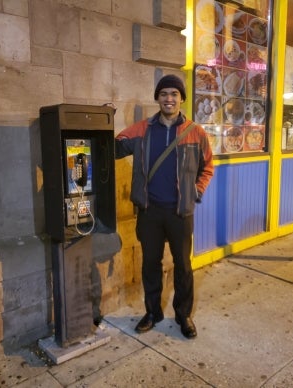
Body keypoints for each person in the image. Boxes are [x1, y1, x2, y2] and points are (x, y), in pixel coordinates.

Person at [115, 74, 214, 339]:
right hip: (150, 212)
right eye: (163, 94)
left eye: (174, 94)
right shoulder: (142, 129)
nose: (169, 99)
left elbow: (207, 168)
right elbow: (114, 148)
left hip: (181, 213)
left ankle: (183, 316)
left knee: (183, 265)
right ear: (157, 98)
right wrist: (99, 125)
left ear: (181, 98)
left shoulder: (196, 132)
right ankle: (152, 312)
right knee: (150, 264)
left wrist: (197, 191)